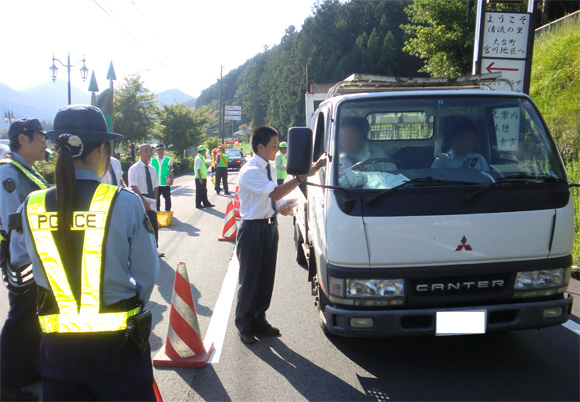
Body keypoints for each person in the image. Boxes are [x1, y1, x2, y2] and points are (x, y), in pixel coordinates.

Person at [9, 105, 159, 401]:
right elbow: (146, 274)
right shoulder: (125, 202)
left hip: (57, 347)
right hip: (118, 346)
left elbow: (18, 265)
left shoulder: (31, 205)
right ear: (103, 149)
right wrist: (131, 306)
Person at [235, 125, 326, 345]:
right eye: (274, 146)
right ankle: (245, 325)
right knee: (249, 281)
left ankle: (259, 320)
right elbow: (275, 191)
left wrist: (282, 206)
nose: (277, 150)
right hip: (252, 229)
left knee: (266, 277)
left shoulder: (269, 167)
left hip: (269, 227)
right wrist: (303, 176)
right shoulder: (250, 170)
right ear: (260, 146)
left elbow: (274, 198)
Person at [0, 118, 50, 401]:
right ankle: (7, 385)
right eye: (40, 137)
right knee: (20, 317)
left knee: (32, 315)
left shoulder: (25, 170)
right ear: (23, 139)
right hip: (22, 258)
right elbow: (12, 224)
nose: (45, 142)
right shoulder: (8, 172)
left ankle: (29, 369)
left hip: (34, 254)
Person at [128, 144, 164, 258]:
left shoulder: (152, 169)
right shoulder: (134, 168)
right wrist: (144, 202)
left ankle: (154, 250)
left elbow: (155, 186)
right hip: (139, 199)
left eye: (150, 151)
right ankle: (140, 252)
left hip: (151, 199)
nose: (148, 153)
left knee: (154, 225)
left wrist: (154, 200)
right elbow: (133, 187)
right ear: (139, 152)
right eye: (146, 151)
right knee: (141, 226)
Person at [338, 117, 395, 187]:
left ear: (360, 135)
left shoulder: (377, 152)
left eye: (350, 135)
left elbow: (393, 175)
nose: (347, 140)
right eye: (343, 137)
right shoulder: (336, 158)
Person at [151, 144, 173, 212]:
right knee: (156, 198)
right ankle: (157, 212)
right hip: (156, 183)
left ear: (164, 150)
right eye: (158, 150)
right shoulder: (153, 160)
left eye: (162, 149)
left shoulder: (168, 160)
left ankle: (168, 211)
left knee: (167, 198)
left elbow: (171, 170)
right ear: (156, 151)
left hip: (165, 183)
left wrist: (171, 180)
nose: (160, 151)